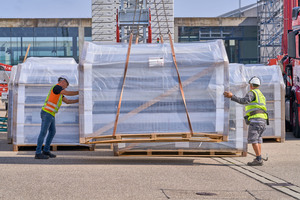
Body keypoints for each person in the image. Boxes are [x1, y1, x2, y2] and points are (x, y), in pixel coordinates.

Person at [223, 76, 268, 166]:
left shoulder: (252, 93)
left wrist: (232, 96)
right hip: (263, 120)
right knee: (258, 139)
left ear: (251, 85)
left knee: (254, 139)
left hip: (256, 120)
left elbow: (244, 101)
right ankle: (258, 157)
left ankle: (258, 159)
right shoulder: (261, 94)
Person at [35, 75, 79, 159]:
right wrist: (79, 92)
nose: (66, 87)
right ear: (63, 82)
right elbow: (66, 93)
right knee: (43, 132)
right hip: (47, 113)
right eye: (67, 85)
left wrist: (79, 100)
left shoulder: (59, 92)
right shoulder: (57, 87)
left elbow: (68, 101)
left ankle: (46, 150)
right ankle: (38, 153)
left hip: (50, 114)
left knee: (52, 132)